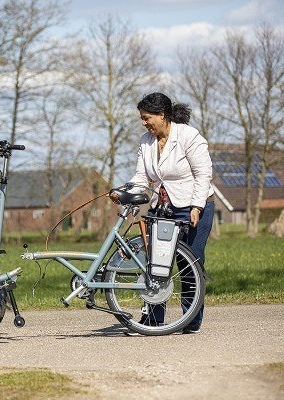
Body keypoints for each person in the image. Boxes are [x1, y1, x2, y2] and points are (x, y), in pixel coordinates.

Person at [113, 92, 214, 334]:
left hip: (193, 205)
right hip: (164, 207)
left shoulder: (189, 137)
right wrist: (124, 190)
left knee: (189, 263)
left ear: (162, 115)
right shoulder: (145, 141)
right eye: (142, 118)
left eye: (147, 118)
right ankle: (153, 320)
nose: (144, 123)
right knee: (156, 263)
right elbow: (142, 177)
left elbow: (203, 175)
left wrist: (197, 207)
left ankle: (191, 319)